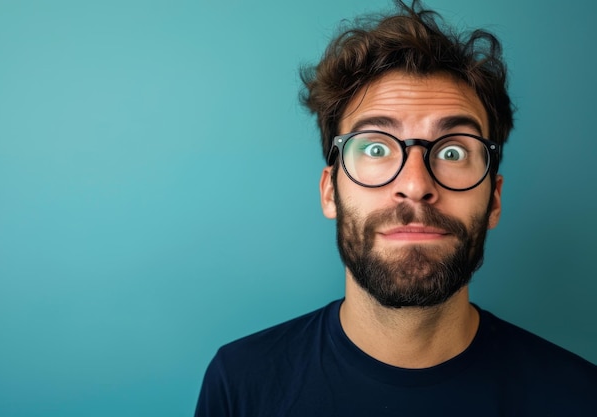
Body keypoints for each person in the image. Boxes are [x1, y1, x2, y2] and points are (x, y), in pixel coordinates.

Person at [194, 1, 597, 415]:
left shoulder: (580, 397)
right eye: (375, 147)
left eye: (454, 152)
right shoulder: (241, 383)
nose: (416, 185)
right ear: (330, 192)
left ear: (493, 199)